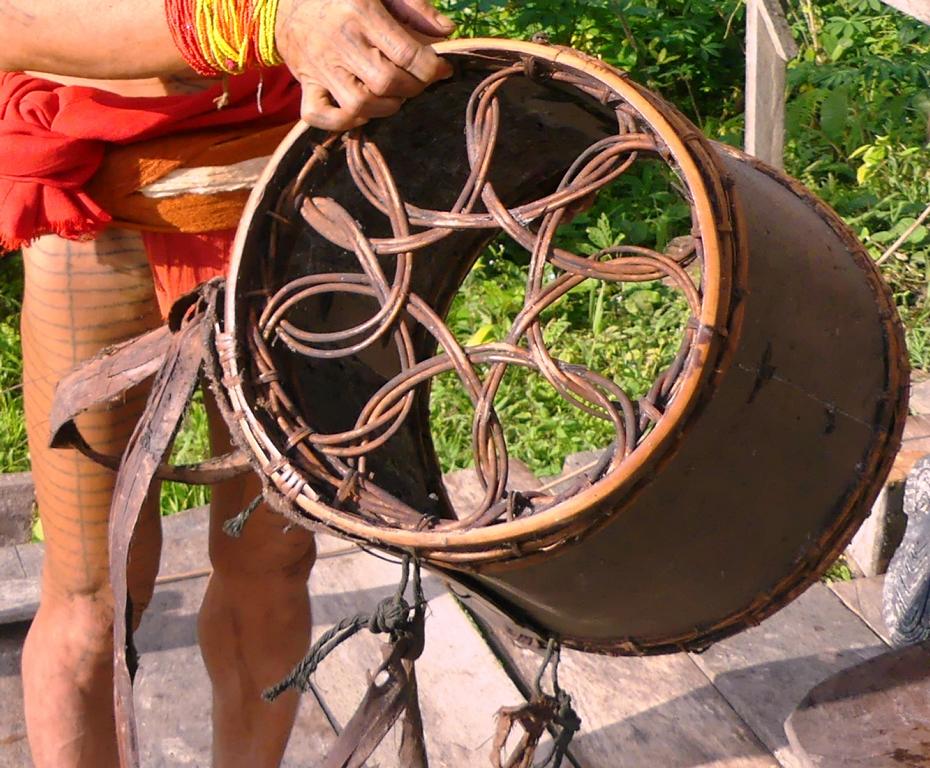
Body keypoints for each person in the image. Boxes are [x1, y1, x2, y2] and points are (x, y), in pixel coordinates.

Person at [0, 1, 454, 766]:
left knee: (272, 566)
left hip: (289, 185)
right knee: (93, 592)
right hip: (99, 199)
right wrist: (260, 20)